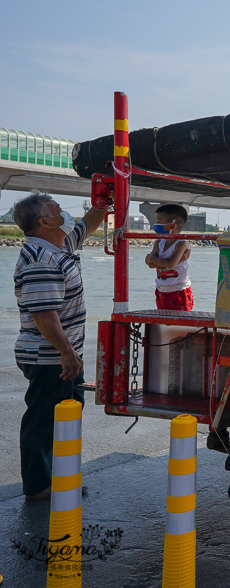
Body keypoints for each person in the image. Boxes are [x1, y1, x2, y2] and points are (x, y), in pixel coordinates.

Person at [13, 192, 108, 500]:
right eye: (57, 210)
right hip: (49, 356)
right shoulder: (41, 258)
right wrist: (67, 353)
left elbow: (86, 226)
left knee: (65, 413)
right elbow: (44, 314)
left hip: (60, 354)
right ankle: (40, 486)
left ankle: (56, 477)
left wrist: (104, 202)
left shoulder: (57, 246)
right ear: (45, 222)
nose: (64, 213)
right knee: (44, 420)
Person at [144, 203, 193, 310]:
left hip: (179, 291)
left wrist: (154, 259)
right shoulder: (159, 242)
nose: (155, 224)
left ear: (172, 225)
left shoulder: (181, 243)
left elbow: (170, 264)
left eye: (159, 221)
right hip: (161, 290)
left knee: (180, 322)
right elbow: (150, 264)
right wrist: (177, 260)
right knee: (163, 320)